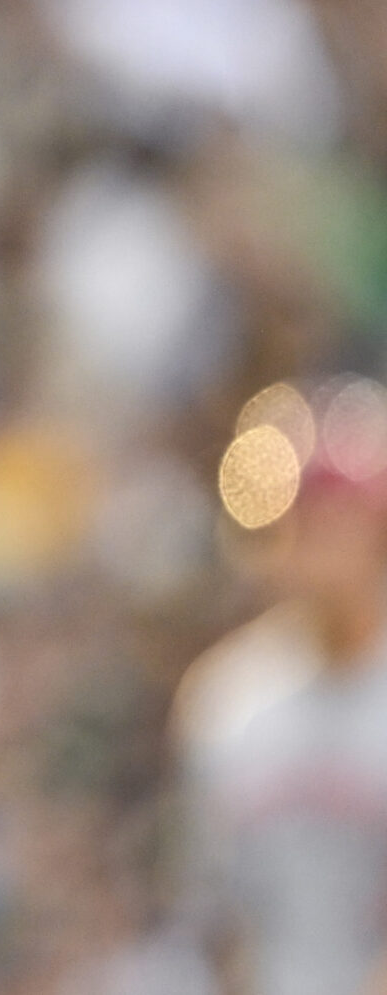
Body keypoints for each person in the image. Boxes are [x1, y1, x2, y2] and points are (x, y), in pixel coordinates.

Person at [178, 380, 387, 995]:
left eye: (334, 521)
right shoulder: (229, 699)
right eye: (298, 523)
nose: (313, 546)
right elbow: (214, 913)